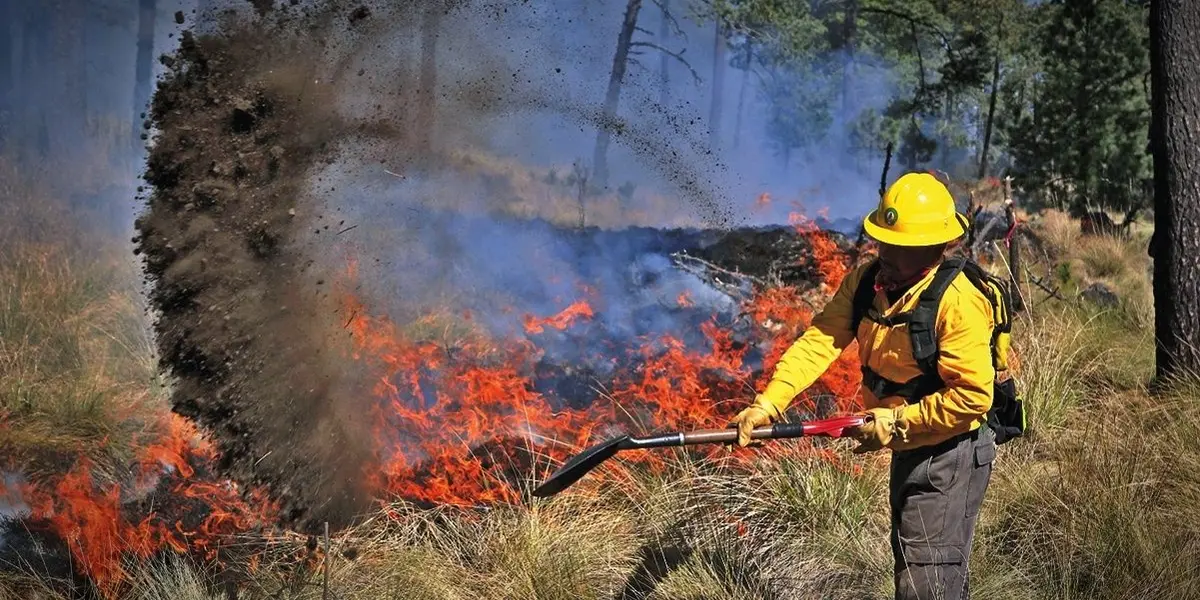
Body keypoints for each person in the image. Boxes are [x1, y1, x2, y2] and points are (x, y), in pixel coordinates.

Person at [730, 172, 997, 600]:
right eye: (882, 239)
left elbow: (972, 398)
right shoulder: (865, 284)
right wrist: (768, 404)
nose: (884, 251)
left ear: (933, 248)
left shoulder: (957, 302)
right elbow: (819, 342)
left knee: (925, 581)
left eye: (899, 244)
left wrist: (894, 423)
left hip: (950, 452)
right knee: (923, 569)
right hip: (910, 442)